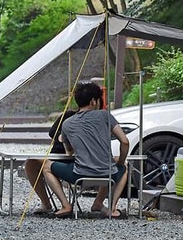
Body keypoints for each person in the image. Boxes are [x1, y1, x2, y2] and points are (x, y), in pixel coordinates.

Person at [42, 82, 130, 219]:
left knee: (46, 166)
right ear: (93, 101)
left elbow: (69, 151)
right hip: (109, 176)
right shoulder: (105, 116)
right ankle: (111, 208)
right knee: (122, 166)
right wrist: (121, 160)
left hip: (79, 176)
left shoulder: (67, 123)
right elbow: (124, 142)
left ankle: (66, 205)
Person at [23, 109, 77, 215]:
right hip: (56, 155)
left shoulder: (93, 119)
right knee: (31, 163)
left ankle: (65, 205)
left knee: (47, 166)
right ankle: (46, 203)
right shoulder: (68, 115)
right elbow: (52, 132)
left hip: (74, 159)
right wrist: (63, 137)